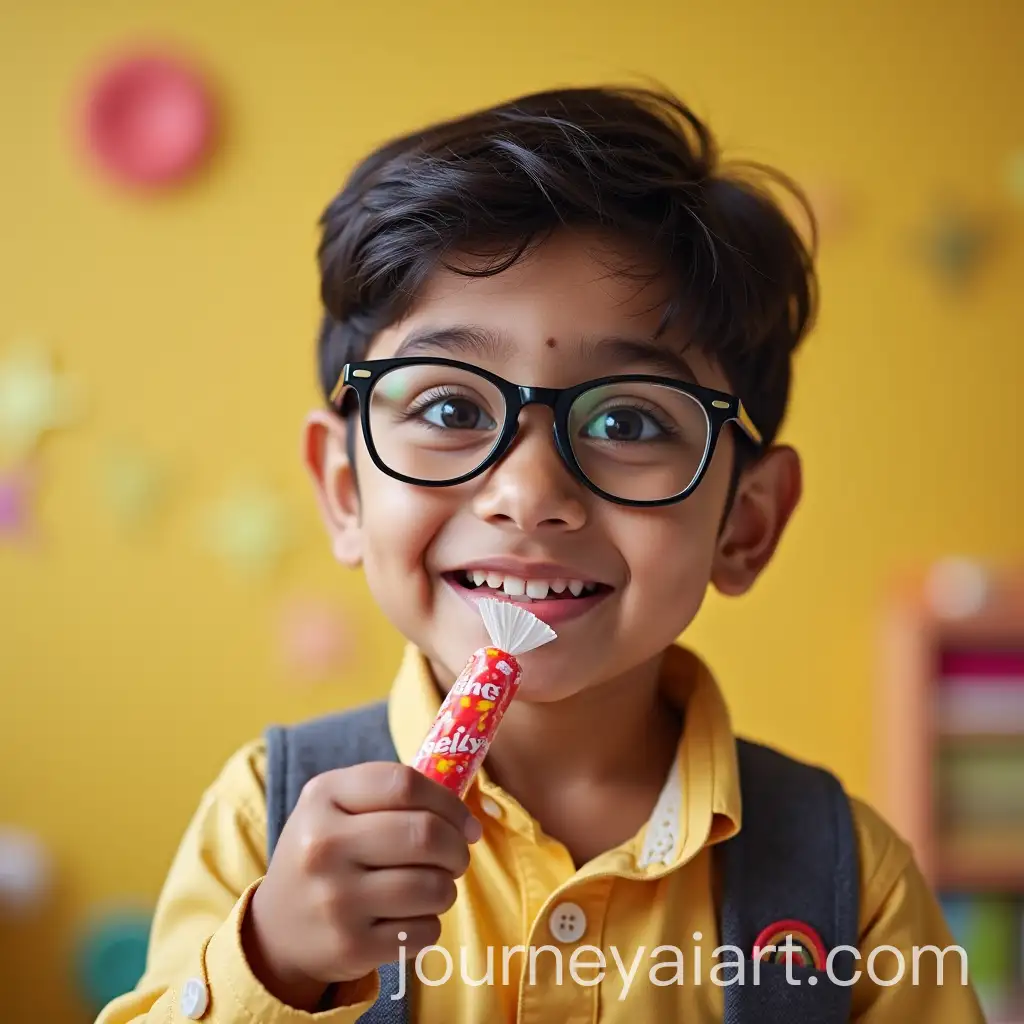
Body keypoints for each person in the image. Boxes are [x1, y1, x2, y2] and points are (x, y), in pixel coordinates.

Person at [97, 86, 984, 1023]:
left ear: (746, 524)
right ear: (346, 489)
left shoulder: (853, 886)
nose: (528, 493)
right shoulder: (263, 822)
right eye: (449, 408)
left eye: (629, 421)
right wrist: (274, 964)